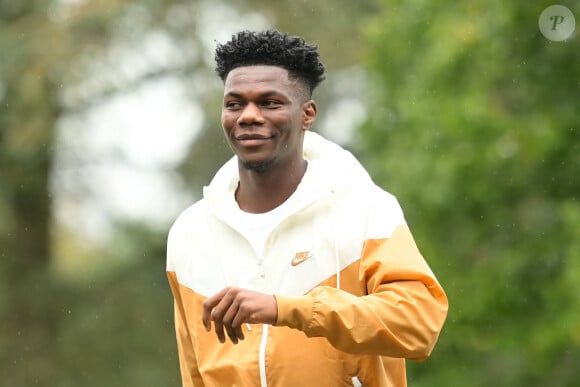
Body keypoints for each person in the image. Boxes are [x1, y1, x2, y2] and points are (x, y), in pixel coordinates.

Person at [166, 29, 448, 387]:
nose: (248, 115)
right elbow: (194, 372)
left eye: (270, 102)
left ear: (307, 114)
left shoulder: (364, 208)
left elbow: (419, 324)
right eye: (234, 104)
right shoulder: (190, 232)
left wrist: (288, 309)